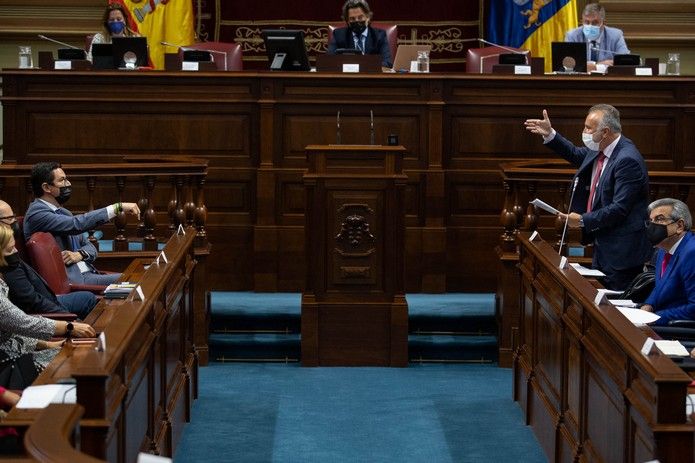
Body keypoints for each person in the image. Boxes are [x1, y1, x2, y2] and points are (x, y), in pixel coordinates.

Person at [524, 104, 651, 290]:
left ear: (605, 132)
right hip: (603, 243)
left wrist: (583, 220)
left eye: (588, 128)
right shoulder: (600, 148)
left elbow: (620, 208)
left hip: (622, 252)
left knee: (614, 306)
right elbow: (575, 154)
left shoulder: (627, 160)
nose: (584, 132)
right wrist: (550, 134)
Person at [23, 162, 140, 286]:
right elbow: (76, 224)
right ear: (46, 188)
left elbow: (90, 247)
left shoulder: (63, 212)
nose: (68, 184)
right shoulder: (36, 214)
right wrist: (117, 208)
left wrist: (80, 254)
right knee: (137, 280)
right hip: (75, 281)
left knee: (139, 277)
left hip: (90, 273)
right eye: (62, 180)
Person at [0, 226, 96, 375]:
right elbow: (20, 322)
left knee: (82, 356)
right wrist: (69, 326)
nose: (16, 252)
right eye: (10, 249)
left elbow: (10, 334)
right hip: (8, 364)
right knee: (79, 364)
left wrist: (49, 345)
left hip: (20, 350)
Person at [0, 200, 97, 320]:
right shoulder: (8, 263)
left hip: (48, 299)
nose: (14, 222)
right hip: (44, 310)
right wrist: (70, 321)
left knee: (87, 298)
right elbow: (32, 303)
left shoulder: (8, 248)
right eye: (9, 219)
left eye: (14, 217)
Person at [640, 198, 695, 325]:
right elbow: (660, 286)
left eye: (659, 219)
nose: (653, 225)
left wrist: (655, 317)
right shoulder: (663, 248)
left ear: (679, 226)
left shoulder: (691, 252)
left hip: (678, 329)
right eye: (651, 221)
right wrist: (648, 304)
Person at [327, 0, 393, 68]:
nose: (357, 21)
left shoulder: (379, 35)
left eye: (360, 17)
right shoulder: (339, 35)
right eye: (352, 19)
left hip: (371, 76)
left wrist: (363, 67)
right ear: (347, 21)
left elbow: (387, 63)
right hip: (348, 77)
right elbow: (329, 61)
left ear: (368, 17)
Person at [565, 3, 629, 68]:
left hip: (607, 77)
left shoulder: (616, 35)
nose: (590, 26)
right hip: (581, 78)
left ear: (604, 23)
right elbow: (568, 64)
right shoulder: (573, 36)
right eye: (587, 22)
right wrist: (598, 65)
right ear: (582, 22)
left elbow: (625, 61)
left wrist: (586, 66)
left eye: (595, 23)